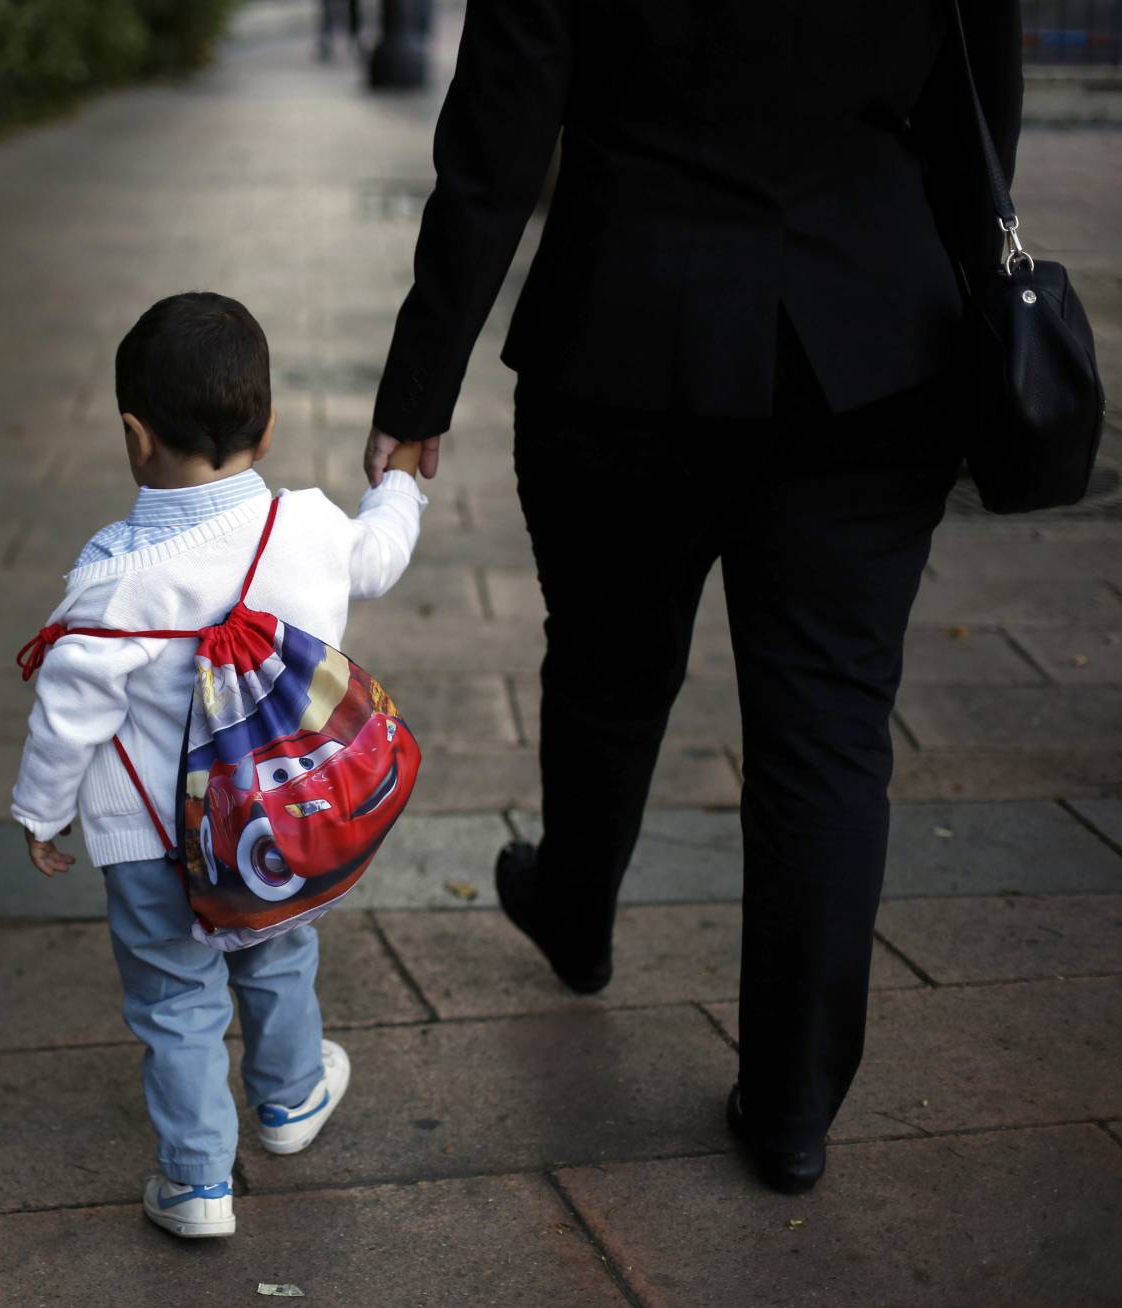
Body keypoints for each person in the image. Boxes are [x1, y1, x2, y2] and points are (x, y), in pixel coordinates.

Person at [362, 1, 1022, 1194]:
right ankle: (791, 1108)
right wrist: (982, 304)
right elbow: (985, 95)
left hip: (625, 330)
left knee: (609, 662)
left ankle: (574, 908)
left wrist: (420, 388)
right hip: (874, 341)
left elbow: (498, 135)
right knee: (828, 729)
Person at [13, 292, 427, 1238]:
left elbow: (68, 711)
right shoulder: (312, 527)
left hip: (148, 839)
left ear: (134, 435)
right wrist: (398, 481)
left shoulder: (113, 578)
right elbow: (380, 555)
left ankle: (199, 1182)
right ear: (269, 424)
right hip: (271, 828)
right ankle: (288, 1100)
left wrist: (41, 812)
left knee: (174, 1001)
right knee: (279, 951)